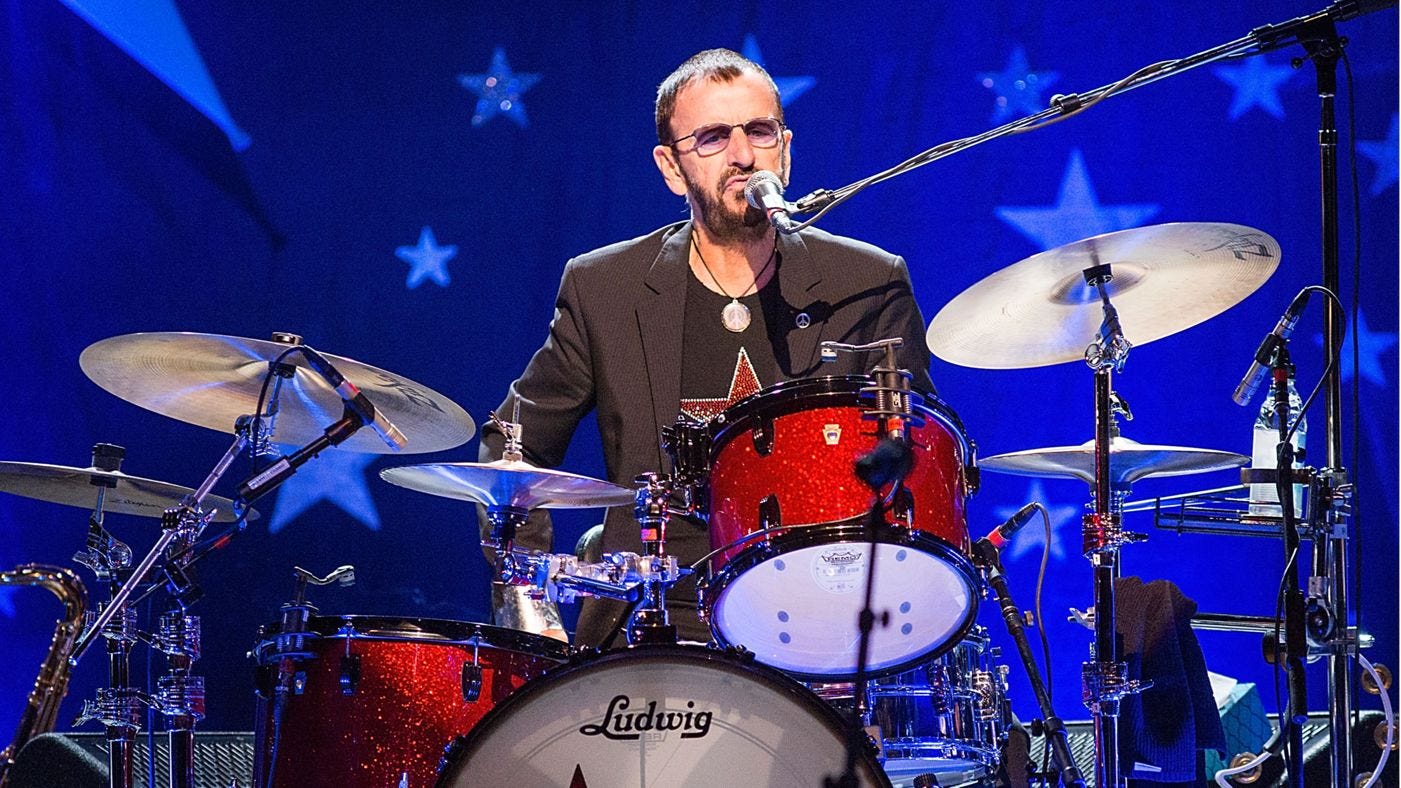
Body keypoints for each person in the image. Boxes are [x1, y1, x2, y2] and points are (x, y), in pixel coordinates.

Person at [479, 48, 934, 647]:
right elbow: (513, 445)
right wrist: (527, 600)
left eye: (759, 131)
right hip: (651, 622)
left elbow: (921, 454)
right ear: (672, 168)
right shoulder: (604, 287)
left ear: (785, 150)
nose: (743, 155)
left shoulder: (867, 282)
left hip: (824, 624)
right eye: (714, 137)